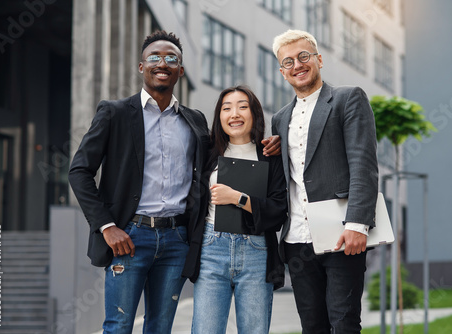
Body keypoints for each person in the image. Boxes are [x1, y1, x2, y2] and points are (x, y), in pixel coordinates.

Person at [68, 30, 209, 334]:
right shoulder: (115, 112)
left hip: (176, 240)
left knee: (160, 328)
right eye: (154, 57)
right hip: (129, 238)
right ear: (142, 67)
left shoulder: (194, 120)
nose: (163, 62)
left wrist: (267, 145)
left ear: (180, 70)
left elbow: (216, 164)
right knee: (118, 326)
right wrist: (107, 226)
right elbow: (79, 171)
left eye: (171, 58)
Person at [271, 30, 379, 333]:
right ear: (282, 72)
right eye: (288, 61)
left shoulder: (348, 98)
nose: (297, 65)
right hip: (296, 241)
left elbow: (364, 164)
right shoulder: (280, 119)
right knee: (312, 326)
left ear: (318, 59)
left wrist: (357, 224)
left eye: (304, 56)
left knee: (343, 323)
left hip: (341, 235)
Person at [182, 85, 288, 334]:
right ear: (219, 116)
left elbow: (278, 210)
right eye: (226, 108)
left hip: (256, 251)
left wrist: (237, 198)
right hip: (211, 248)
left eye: (243, 107)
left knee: (254, 330)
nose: (234, 114)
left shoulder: (269, 155)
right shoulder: (207, 152)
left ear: (255, 114)